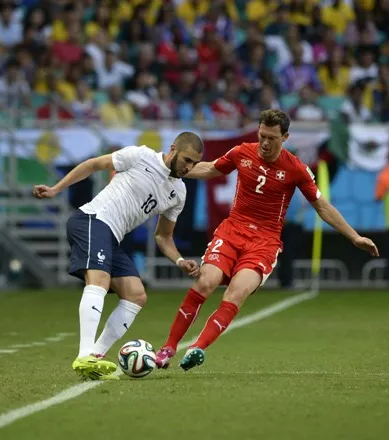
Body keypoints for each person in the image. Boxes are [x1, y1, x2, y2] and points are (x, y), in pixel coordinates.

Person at [155, 109, 379, 372]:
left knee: (236, 292)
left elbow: (322, 206)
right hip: (232, 231)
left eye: (272, 138)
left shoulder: (296, 168)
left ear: (285, 137)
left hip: (264, 241)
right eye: (262, 135)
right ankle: (168, 347)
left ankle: (197, 348)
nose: (265, 143)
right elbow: (209, 169)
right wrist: (167, 166)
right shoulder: (242, 152)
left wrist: (354, 237)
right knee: (206, 281)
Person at [33, 133, 204, 380]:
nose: (189, 167)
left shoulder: (179, 193)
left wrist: (179, 260)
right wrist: (56, 189)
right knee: (99, 280)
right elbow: (93, 164)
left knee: (136, 295)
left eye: (195, 164)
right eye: (187, 160)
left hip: (112, 237)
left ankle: (96, 357)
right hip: (92, 220)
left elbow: (163, 237)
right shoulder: (141, 155)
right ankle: (84, 355)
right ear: (174, 148)